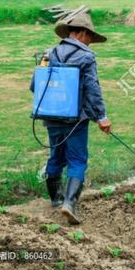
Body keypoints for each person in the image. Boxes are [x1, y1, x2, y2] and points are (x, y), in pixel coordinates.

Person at [30, 12, 111, 224]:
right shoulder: (86, 57)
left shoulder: (48, 54)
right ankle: (70, 204)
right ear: (82, 33)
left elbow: (34, 86)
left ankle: (56, 200)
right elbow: (93, 90)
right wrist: (101, 117)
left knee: (56, 155)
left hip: (51, 116)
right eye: (90, 37)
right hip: (76, 121)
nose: (91, 42)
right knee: (77, 159)